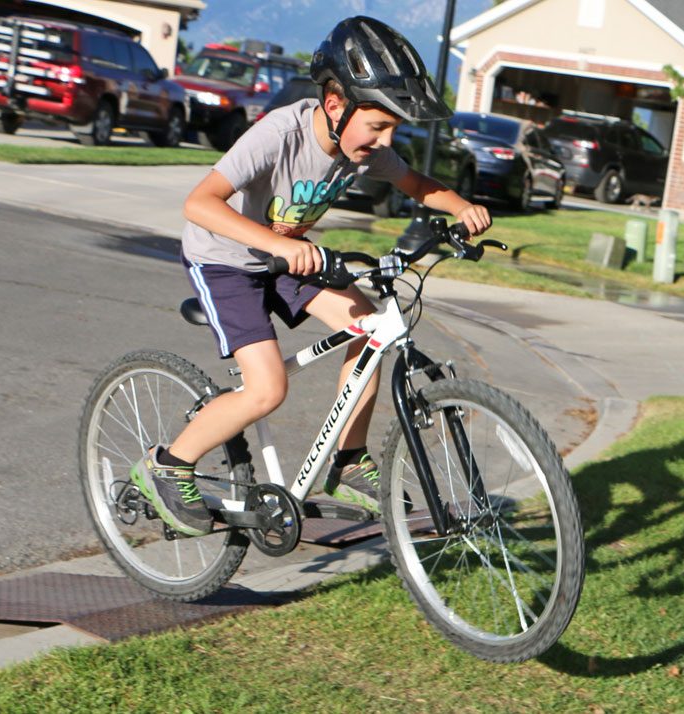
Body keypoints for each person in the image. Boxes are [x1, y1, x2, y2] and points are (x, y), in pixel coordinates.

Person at [130, 16, 492, 535]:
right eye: (379, 126)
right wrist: (277, 243)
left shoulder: (363, 147)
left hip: (289, 256)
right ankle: (167, 463)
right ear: (335, 105)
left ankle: (347, 462)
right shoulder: (280, 134)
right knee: (266, 389)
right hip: (226, 260)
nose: (385, 141)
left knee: (370, 329)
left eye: (395, 129)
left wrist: (459, 206)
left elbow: (415, 181)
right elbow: (199, 203)